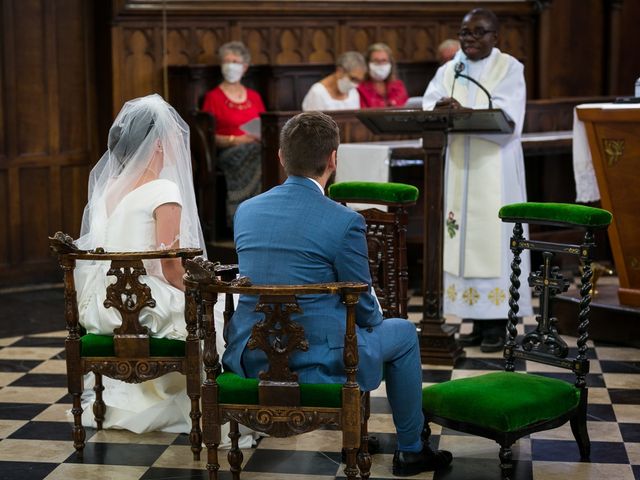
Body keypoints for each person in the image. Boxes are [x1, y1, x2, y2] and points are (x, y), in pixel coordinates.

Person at [223, 111, 453, 476]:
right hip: (317, 363)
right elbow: (363, 307)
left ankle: (358, 430)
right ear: (333, 159)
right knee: (404, 334)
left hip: (252, 355)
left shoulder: (246, 212)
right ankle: (411, 450)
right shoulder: (345, 221)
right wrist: (375, 321)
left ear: (282, 157)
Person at [74, 94, 206, 433]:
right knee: (215, 314)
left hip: (102, 305)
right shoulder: (164, 190)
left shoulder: (109, 189)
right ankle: (206, 402)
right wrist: (202, 291)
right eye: (173, 142)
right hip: (142, 306)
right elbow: (170, 269)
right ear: (159, 144)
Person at [422, 8, 532, 352]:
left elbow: (509, 115)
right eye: (464, 33)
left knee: (493, 239)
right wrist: (440, 108)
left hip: (494, 168)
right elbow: (428, 102)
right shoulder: (451, 68)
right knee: (462, 238)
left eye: (478, 33)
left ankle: (498, 323)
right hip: (459, 165)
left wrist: (465, 112)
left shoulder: (509, 68)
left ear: (495, 36)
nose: (469, 40)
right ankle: (473, 320)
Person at [201, 41, 266, 225]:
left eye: (235, 61)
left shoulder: (254, 96)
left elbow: (264, 125)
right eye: (226, 61)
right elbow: (207, 137)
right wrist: (236, 140)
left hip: (256, 147)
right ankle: (243, 216)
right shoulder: (213, 97)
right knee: (257, 154)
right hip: (227, 152)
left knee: (269, 155)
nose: (230, 65)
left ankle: (263, 213)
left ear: (244, 67)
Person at [301, 51, 366, 111]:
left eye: (359, 81)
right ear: (340, 71)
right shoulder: (317, 92)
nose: (355, 84)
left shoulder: (353, 92)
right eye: (353, 79)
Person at [358, 42, 409, 108]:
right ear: (367, 63)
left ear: (390, 63)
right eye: (376, 61)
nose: (380, 64)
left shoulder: (398, 86)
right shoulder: (360, 88)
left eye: (384, 60)